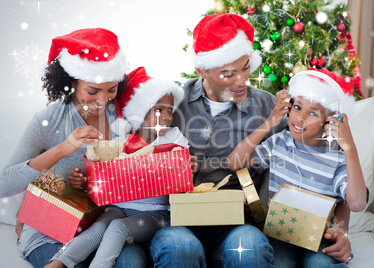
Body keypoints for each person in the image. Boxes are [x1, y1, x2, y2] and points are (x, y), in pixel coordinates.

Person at [148, 13, 287, 267]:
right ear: (201, 70)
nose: (242, 80)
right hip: (179, 223)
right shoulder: (172, 102)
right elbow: (132, 146)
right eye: (228, 73)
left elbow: (309, 149)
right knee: (180, 247)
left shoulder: (266, 105)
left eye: (246, 68)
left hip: (237, 226)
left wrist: (338, 224)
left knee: (251, 247)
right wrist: (167, 165)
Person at [0, 28, 133, 268]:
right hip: (52, 230)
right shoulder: (48, 120)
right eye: (92, 91)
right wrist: (64, 148)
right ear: (72, 81)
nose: (103, 101)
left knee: (131, 262)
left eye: (111, 89)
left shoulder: (124, 115)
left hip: (105, 231)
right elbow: (3, 185)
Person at [226, 68, 368, 267]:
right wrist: (271, 122)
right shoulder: (279, 143)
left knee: (322, 264)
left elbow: (357, 203)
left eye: (312, 113)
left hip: (320, 240)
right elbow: (233, 162)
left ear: (328, 122)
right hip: (281, 237)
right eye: (298, 107)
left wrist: (349, 148)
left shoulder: (337, 159)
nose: (300, 118)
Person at [82, 66, 195, 268]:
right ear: (141, 113)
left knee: (117, 228)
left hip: (156, 213)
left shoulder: (174, 136)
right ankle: (59, 262)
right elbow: (104, 172)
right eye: (159, 110)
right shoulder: (124, 141)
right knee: (99, 229)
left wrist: (187, 169)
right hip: (120, 208)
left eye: (170, 110)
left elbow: (182, 176)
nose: (167, 116)